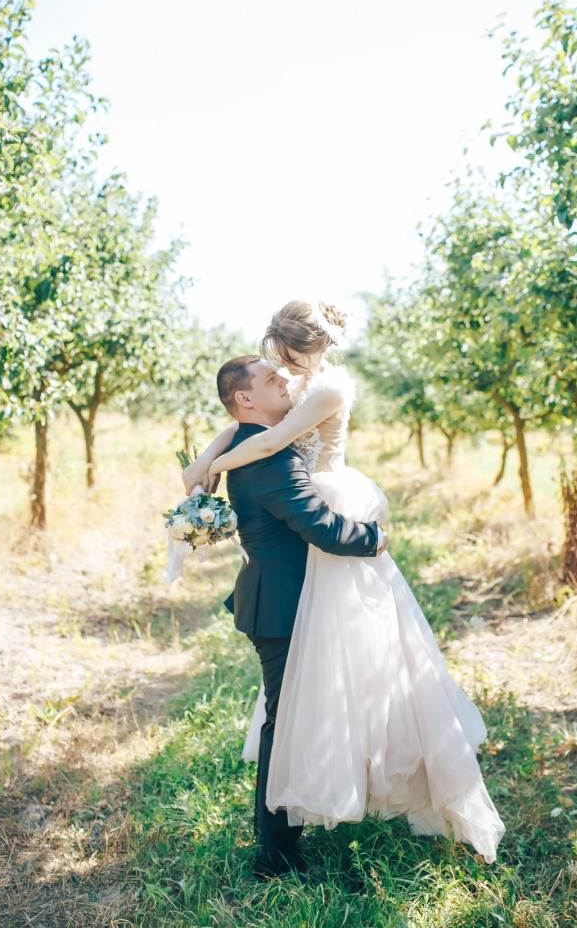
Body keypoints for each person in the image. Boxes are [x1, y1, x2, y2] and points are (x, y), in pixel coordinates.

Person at [184, 300, 505, 865]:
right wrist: (206, 459)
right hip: (306, 517)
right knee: (316, 684)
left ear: (307, 348)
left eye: (284, 358)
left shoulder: (326, 391)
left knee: (365, 663)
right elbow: (242, 426)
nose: (281, 371)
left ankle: (346, 791)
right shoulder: (291, 393)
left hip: (325, 494)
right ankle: (297, 822)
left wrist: (215, 467)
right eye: (274, 364)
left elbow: (260, 441)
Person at [202, 353, 388, 880]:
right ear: (245, 399)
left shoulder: (255, 444)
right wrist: (374, 540)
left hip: (280, 600)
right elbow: (321, 526)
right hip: (280, 609)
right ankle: (274, 859)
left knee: (291, 722)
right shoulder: (269, 458)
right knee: (283, 729)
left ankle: (289, 834)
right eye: (269, 379)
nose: (284, 381)